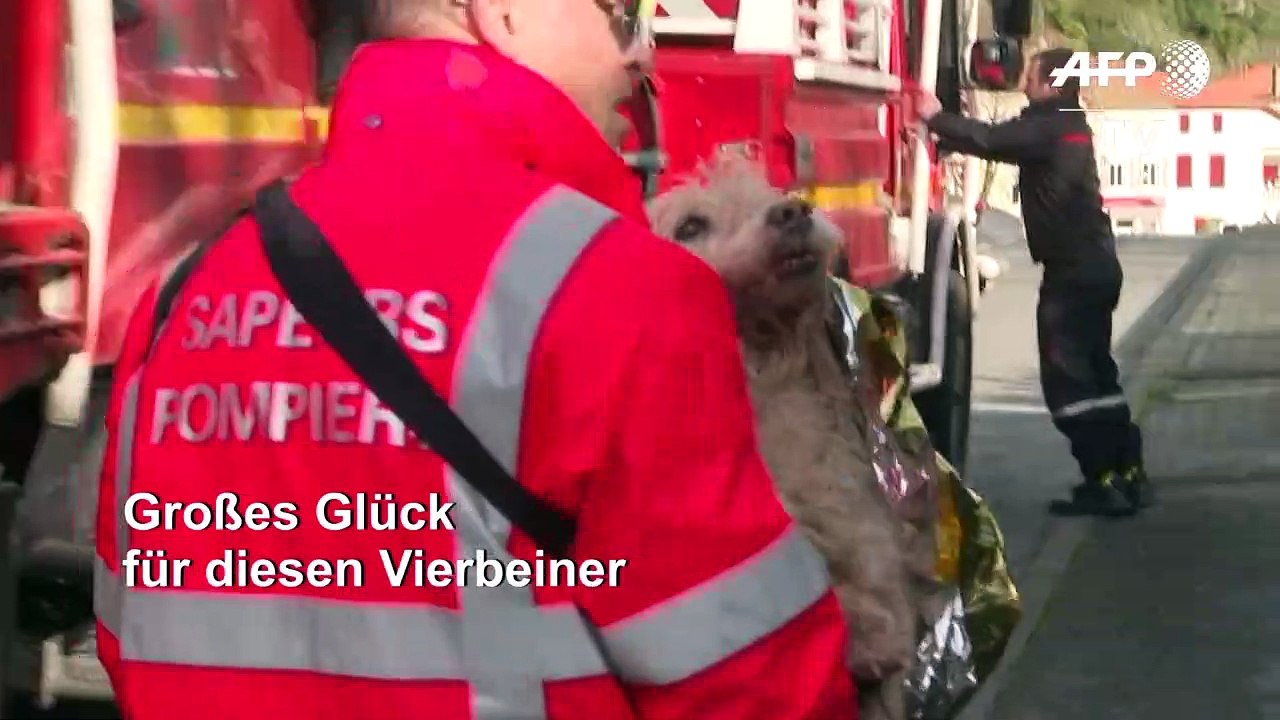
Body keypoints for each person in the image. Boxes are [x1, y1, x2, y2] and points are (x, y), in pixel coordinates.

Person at [93, 1, 858, 719]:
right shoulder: (622, 291)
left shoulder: (182, 296)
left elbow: (135, 634)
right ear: (502, 11)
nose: (634, 53)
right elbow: (757, 689)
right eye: (614, 9)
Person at [916, 48, 1154, 517]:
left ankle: (1102, 480)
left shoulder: (1049, 126)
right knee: (1098, 375)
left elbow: (989, 139)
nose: (1022, 82)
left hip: (1072, 273)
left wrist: (934, 117)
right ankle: (1128, 471)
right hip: (1096, 267)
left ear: (1051, 83)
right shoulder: (1067, 124)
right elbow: (1009, 143)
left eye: (1030, 75)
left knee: (1066, 381)